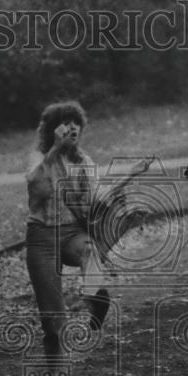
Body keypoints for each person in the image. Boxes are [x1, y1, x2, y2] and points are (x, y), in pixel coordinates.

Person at [25, 101, 113, 361]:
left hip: (72, 233)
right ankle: (57, 370)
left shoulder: (83, 161)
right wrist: (54, 150)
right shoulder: (39, 156)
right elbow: (37, 187)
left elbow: (94, 199)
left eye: (76, 123)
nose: (72, 127)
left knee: (89, 250)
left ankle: (96, 298)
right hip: (42, 236)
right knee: (53, 318)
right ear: (54, 129)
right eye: (66, 123)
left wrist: (119, 197)